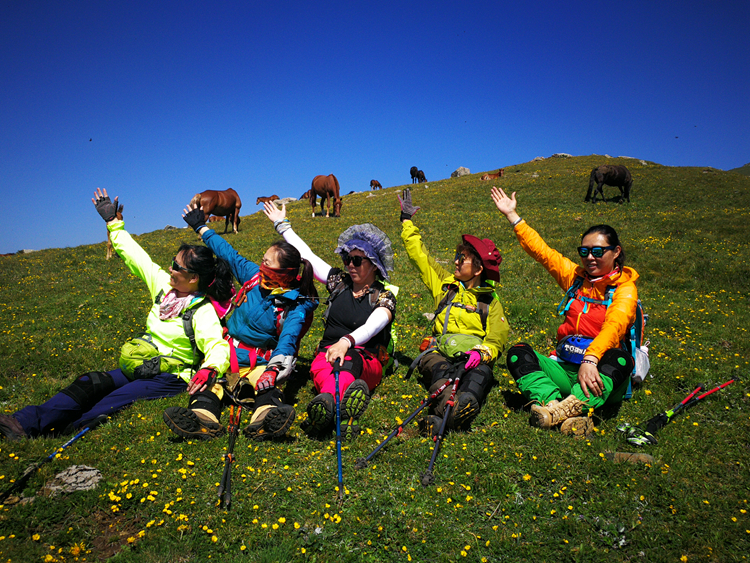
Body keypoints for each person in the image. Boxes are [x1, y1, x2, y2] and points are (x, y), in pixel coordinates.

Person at [0, 189, 232, 441]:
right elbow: (136, 256)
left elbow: (216, 345)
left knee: (114, 399)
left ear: (194, 278)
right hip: (144, 362)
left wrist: (209, 368)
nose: (170, 268)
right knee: (91, 382)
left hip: (171, 375)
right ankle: (21, 423)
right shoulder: (164, 286)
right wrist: (113, 223)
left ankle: (63, 432)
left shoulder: (202, 309)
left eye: (176, 266)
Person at [162, 203, 319, 441]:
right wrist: (201, 228)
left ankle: (266, 420)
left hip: (260, 361)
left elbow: (288, 339)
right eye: (263, 260)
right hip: (226, 351)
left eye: (267, 263)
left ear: (283, 273)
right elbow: (228, 253)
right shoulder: (254, 277)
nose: (261, 265)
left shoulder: (295, 306)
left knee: (267, 387)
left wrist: (274, 370)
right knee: (210, 384)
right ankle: (201, 420)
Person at [490, 186, 638, 435]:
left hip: (601, 375)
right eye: (584, 251)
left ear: (616, 252)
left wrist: (591, 359)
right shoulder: (575, 279)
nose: (590, 257)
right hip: (566, 367)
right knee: (518, 353)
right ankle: (553, 404)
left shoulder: (625, 289)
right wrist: (513, 217)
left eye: (598, 251)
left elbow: (616, 325)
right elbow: (544, 253)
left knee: (621, 359)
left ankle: (572, 406)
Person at [263, 201, 397, 441]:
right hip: (327, 355)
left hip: (365, 359)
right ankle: (337, 410)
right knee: (324, 367)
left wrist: (346, 342)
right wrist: (282, 225)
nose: (350, 265)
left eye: (358, 261)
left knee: (349, 362)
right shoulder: (339, 283)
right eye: (348, 259)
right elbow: (308, 256)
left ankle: (327, 405)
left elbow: (373, 325)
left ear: (374, 265)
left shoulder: (384, 297)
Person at [398, 189, 510, 435]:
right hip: (438, 352)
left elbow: (498, 336)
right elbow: (420, 257)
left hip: (472, 356)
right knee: (440, 373)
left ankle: (446, 414)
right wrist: (407, 222)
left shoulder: (490, 300)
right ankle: (453, 413)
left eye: (463, 258)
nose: (456, 261)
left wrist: (482, 353)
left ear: (478, 269)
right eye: (458, 255)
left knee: (479, 375)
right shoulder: (444, 286)